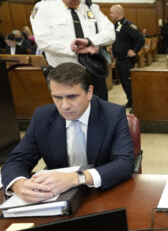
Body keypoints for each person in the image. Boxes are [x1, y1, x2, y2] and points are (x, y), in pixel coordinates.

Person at [1, 62, 135, 203]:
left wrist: (75, 178)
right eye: (57, 97)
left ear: (89, 92)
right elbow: (16, 161)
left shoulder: (112, 114)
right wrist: (19, 184)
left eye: (72, 97)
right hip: (56, 197)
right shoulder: (42, 117)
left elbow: (124, 163)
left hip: (100, 193)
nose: (65, 106)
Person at [30, 0, 115, 101]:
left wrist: (89, 41)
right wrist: (74, 49)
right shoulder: (44, 8)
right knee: (70, 114)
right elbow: (43, 41)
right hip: (64, 76)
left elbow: (110, 34)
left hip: (93, 73)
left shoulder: (90, 7)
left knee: (99, 111)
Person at [110, 4, 145, 110]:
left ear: (118, 13)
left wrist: (134, 50)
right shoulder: (117, 25)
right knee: (124, 83)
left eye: (111, 12)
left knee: (129, 83)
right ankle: (130, 101)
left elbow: (140, 38)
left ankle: (135, 104)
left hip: (126, 60)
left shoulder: (127, 25)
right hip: (119, 59)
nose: (110, 15)